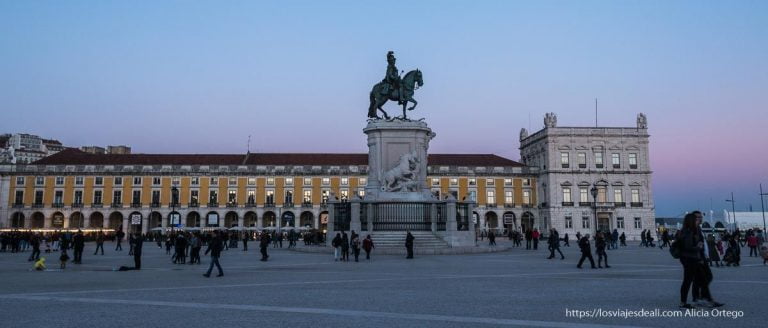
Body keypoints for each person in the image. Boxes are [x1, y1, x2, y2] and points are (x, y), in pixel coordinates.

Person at [676, 213, 723, 309]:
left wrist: (702, 255)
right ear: (691, 220)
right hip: (689, 259)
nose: (699, 219)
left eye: (700, 217)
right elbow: (688, 246)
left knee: (703, 278)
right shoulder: (688, 231)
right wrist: (698, 247)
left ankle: (701, 299)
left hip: (696, 258)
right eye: (697, 218)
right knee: (689, 280)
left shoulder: (696, 229)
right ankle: (688, 302)